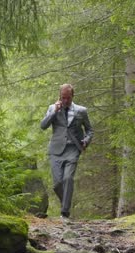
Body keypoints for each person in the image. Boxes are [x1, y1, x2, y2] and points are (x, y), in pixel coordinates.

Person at [40, 84, 93, 220]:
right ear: (60, 96)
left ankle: (65, 212)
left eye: (67, 98)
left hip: (73, 148)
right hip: (55, 150)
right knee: (57, 183)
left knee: (68, 178)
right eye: (63, 98)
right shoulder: (53, 108)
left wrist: (86, 140)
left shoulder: (81, 111)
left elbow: (89, 130)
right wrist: (54, 112)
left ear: (72, 96)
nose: (65, 101)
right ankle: (66, 203)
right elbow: (43, 125)